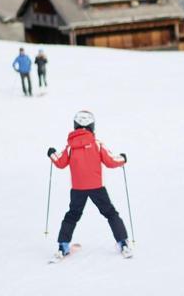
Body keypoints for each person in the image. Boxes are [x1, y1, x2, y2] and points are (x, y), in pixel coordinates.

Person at [47, 111, 132, 261]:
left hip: (78, 189)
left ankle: (63, 246)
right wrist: (123, 159)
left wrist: (52, 154)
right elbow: (111, 161)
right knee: (110, 213)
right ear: (92, 126)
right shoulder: (96, 144)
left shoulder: (70, 146)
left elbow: (60, 162)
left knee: (72, 215)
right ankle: (123, 243)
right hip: (96, 188)